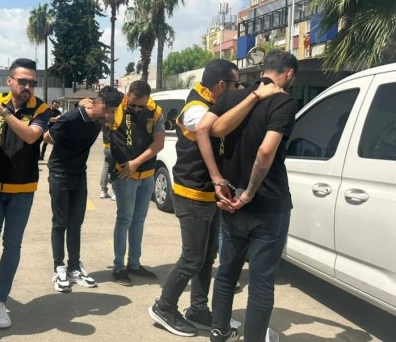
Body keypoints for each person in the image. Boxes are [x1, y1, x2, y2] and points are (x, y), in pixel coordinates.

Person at [149, 59, 281, 337]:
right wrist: (255, 96)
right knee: (192, 258)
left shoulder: (212, 101)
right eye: (235, 85)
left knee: (207, 257)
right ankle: (164, 307)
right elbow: (216, 128)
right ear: (221, 85)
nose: (238, 89)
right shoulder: (195, 109)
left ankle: (198, 308)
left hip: (210, 193)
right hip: (192, 192)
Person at [196, 51, 298, 342]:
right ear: (289, 74)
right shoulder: (284, 102)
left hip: (231, 202)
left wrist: (217, 179)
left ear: (262, 70)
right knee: (261, 282)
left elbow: (204, 129)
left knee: (227, 273)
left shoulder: (231, 97)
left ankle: (219, 332)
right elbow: (266, 151)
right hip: (268, 205)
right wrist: (250, 193)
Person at [0, 58, 50, 328]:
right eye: (22, 81)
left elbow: (31, 136)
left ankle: (0, 302)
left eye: (32, 82)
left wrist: (5, 113)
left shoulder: (41, 109)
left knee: (13, 244)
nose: (28, 86)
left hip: (22, 189)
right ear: (10, 81)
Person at [43, 86, 123, 293]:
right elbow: (47, 138)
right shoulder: (70, 118)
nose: (110, 115)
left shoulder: (99, 121)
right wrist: (77, 108)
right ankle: (58, 267)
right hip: (59, 174)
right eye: (108, 110)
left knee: (75, 224)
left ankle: (74, 267)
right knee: (60, 223)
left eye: (113, 111)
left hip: (80, 175)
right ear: (97, 103)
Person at [107, 81, 165, 287]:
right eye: (132, 104)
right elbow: (96, 116)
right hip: (124, 175)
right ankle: (118, 267)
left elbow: (159, 143)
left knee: (139, 220)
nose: (136, 109)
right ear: (127, 96)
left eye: (141, 106)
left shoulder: (155, 111)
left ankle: (134, 263)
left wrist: (136, 163)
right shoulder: (117, 109)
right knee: (124, 219)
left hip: (146, 175)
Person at [99, 127, 116, 200]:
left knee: (106, 167)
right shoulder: (115, 120)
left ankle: (103, 191)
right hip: (115, 145)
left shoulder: (105, 120)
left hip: (106, 145)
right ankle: (115, 192)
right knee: (115, 168)